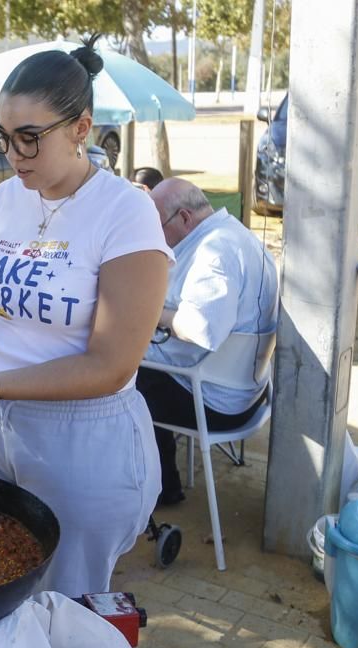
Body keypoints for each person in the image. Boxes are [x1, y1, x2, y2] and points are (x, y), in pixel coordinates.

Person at [0, 39, 173, 598]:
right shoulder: (4, 200)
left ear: (80, 128)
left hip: (80, 438)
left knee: (62, 603)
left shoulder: (125, 212)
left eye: (29, 138)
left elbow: (110, 365)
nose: (14, 154)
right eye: (3, 136)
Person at [137, 178, 279, 507]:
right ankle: (158, 477)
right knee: (136, 368)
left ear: (184, 217)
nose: (153, 236)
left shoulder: (215, 252)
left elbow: (202, 328)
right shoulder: (232, 233)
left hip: (216, 402)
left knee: (117, 380)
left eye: (156, 226)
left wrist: (151, 311)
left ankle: (159, 487)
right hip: (247, 388)